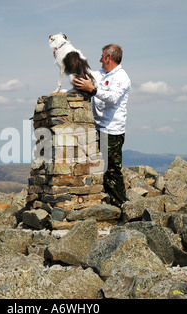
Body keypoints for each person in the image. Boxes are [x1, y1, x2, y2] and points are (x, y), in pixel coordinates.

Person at [73, 44, 131, 207]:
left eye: (102, 56)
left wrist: (92, 90)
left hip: (112, 130)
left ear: (108, 57)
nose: (99, 59)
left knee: (112, 170)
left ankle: (120, 205)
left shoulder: (121, 77)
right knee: (97, 167)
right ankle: (105, 202)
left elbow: (112, 98)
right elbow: (86, 77)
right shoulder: (100, 74)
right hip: (97, 128)